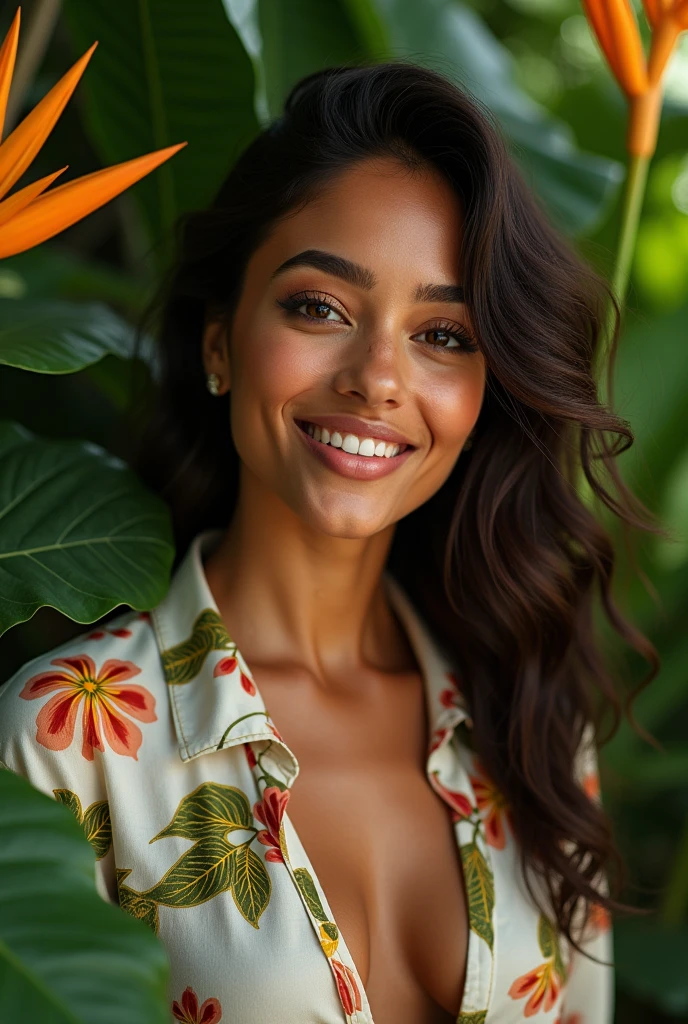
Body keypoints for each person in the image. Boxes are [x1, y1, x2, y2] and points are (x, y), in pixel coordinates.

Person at [0, 61, 657, 1024]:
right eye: (320, 308)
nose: (378, 379)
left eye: (444, 334)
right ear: (220, 341)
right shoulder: (59, 743)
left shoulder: (537, 724)